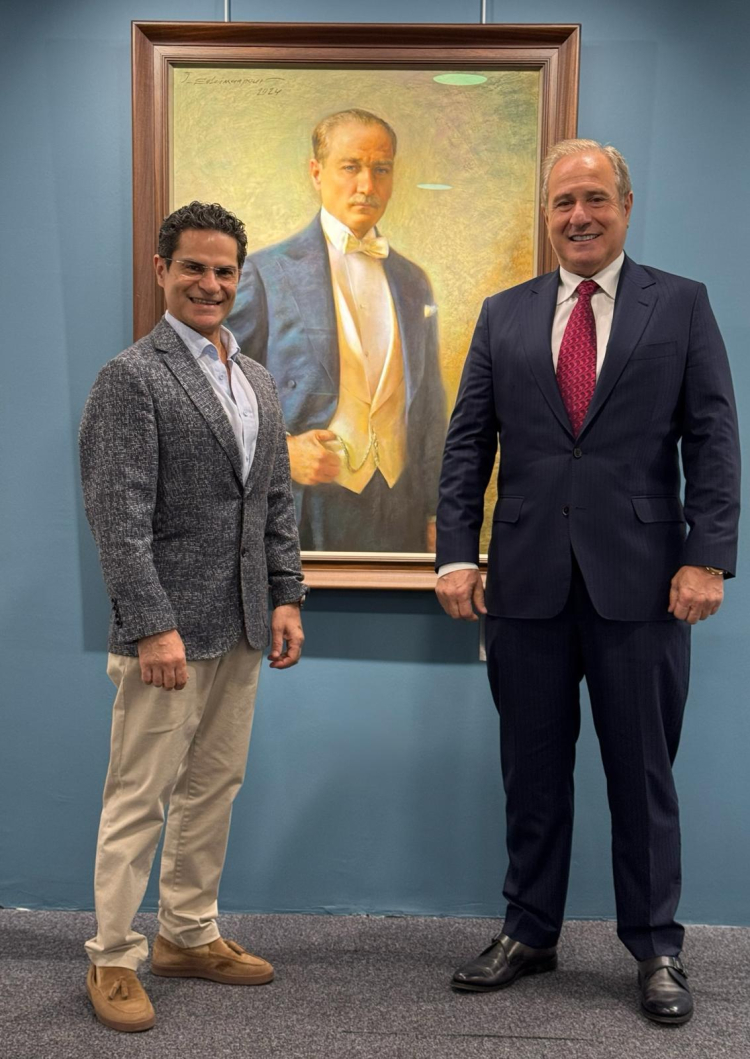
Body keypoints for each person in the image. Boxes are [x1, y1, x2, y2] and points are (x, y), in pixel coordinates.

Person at [435, 140, 740, 1024]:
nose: (580, 215)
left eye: (596, 198)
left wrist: (708, 554)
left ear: (625, 206)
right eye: (564, 201)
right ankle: (529, 930)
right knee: (531, 770)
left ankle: (656, 946)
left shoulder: (680, 304)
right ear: (546, 214)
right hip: (525, 583)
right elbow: (469, 442)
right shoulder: (503, 314)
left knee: (642, 774)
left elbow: (713, 437)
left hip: (644, 585)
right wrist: (456, 552)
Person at [79, 201, 307, 1033]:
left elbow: (274, 500)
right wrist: (152, 624)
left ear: (238, 277)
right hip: (166, 634)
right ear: (161, 270)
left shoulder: (256, 380)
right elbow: (118, 516)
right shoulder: (131, 378)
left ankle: (186, 932)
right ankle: (112, 953)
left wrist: (286, 594)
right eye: (194, 268)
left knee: (214, 786)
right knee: (139, 795)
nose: (210, 283)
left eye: (223, 270)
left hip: (241, 623)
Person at [229, 108, 446, 553]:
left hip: (400, 506)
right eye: (351, 167)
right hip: (305, 507)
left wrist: (436, 511)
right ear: (316, 172)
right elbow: (217, 391)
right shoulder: (265, 273)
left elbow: (429, 406)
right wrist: (282, 453)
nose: (367, 185)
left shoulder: (414, 281)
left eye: (380, 169)